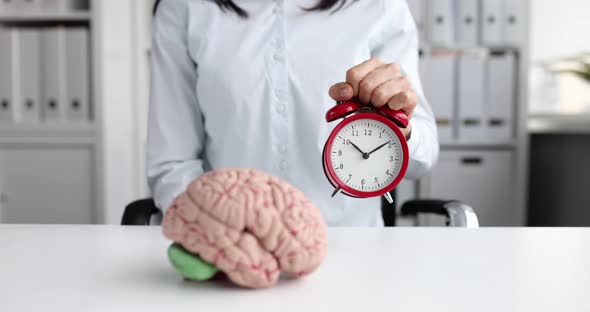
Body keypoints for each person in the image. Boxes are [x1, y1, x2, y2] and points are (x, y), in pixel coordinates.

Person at [147, 0, 439, 227]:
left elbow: (423, 156)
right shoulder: (185, 8)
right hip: (232, 252)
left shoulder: (378, 7)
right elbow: (172, 164)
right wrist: (219, 234)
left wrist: (398, 131)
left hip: (353, 247)